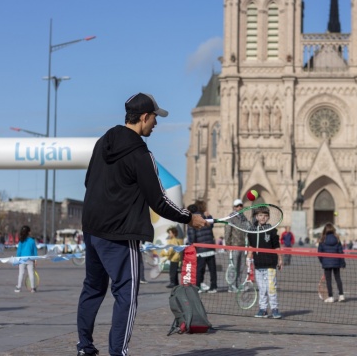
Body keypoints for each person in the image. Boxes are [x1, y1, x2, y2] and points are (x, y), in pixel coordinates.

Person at [77, 92, 207, 356]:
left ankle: (85, 347)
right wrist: (189, 217)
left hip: (92, 230)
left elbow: (89, 181)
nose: (156, 125)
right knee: (126, 295)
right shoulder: (141, 154)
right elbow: (159, 200)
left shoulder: (103, 142)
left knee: (92, 288)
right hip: (121, 235)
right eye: (154, 119)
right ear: (144, 117)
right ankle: (118, 352)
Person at [247, 206, 283, 319]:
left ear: (268, 217)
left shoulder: (272, 230)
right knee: (262, 289)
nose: (263, 217)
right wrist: (248, 259)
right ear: (256, 217)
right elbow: (251, 247)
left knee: (271, 288)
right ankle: (263, 309)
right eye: (261, 215)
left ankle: (275, 309)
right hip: (258, 264)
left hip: (270, 264)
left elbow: (276, 246)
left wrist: (280, 259)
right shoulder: (252, 231)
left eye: (265, 215)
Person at [187, 200, 218, 294]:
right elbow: (212, 225)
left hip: (200, 249)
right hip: (210, 247)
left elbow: (192, 236)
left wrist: (191, 246)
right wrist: (209, 216)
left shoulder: (193, 220)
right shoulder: (205, 217)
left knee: (199, 269)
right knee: (212, 269)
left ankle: (198, 286)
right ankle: (213, 287)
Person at [317, 223, 346, 302]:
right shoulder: (337, 239)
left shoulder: (322, 240)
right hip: (336, 262)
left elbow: (319, 253)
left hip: (326, 263)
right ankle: (341, 295)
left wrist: (322, 261)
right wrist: (343, 263)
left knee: (328, 280)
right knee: (338, 278)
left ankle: (331, 297)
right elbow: (341, 252)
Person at [224, 199, 248, 292]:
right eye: (237, 206)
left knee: (241, 267)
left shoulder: (244, 218)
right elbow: (227, 231)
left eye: (241, 206)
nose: (239, 207)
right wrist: (228, 245)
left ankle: (238, 284)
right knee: (233, 267)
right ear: (234, 207)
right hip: (234, 245)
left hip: (243, 246)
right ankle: (231, 286)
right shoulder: (231, 217)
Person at [15, 225, 37, 293]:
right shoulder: (32, 241)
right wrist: (35, 260)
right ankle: (33, 288)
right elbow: (34, 251)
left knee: (21, 273)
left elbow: (19, 251)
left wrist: (17, 259)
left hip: (22, 258)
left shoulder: (21, 241)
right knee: (31, 273)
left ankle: (19, 287)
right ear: (28, 232)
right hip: (30, 258)